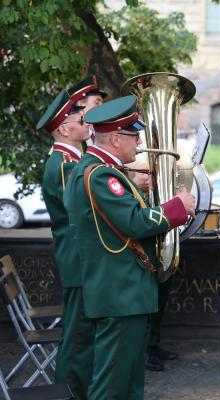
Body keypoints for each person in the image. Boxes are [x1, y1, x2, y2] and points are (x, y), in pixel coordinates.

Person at [64, 95, 196, 400]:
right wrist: (178, 207)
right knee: (112, 385)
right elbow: (135, 222)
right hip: (120, 291)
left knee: (129, 381)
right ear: (114, 138)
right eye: (134, 135)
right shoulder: (101, 175)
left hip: (122, 291)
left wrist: (135, 184)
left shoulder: (100, 170)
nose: (138, 143)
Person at [37, 90, 94, 398]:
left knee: (83, 332)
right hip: (77, 257)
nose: (87, 123)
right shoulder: (62, 164)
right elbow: (85, 204)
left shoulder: (74, 159)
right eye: (80, 119)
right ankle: (67, 393)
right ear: (64, 129)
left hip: (80, 256)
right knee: (77, 336)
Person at [126, 157, 179, 372]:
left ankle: (153, 344)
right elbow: (134, 219)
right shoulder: (107, 172)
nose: (137, 140)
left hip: (155, 246)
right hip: (138, 252)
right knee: (148, 304)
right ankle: (146, 350)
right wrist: (136, 185)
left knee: (159, 299)